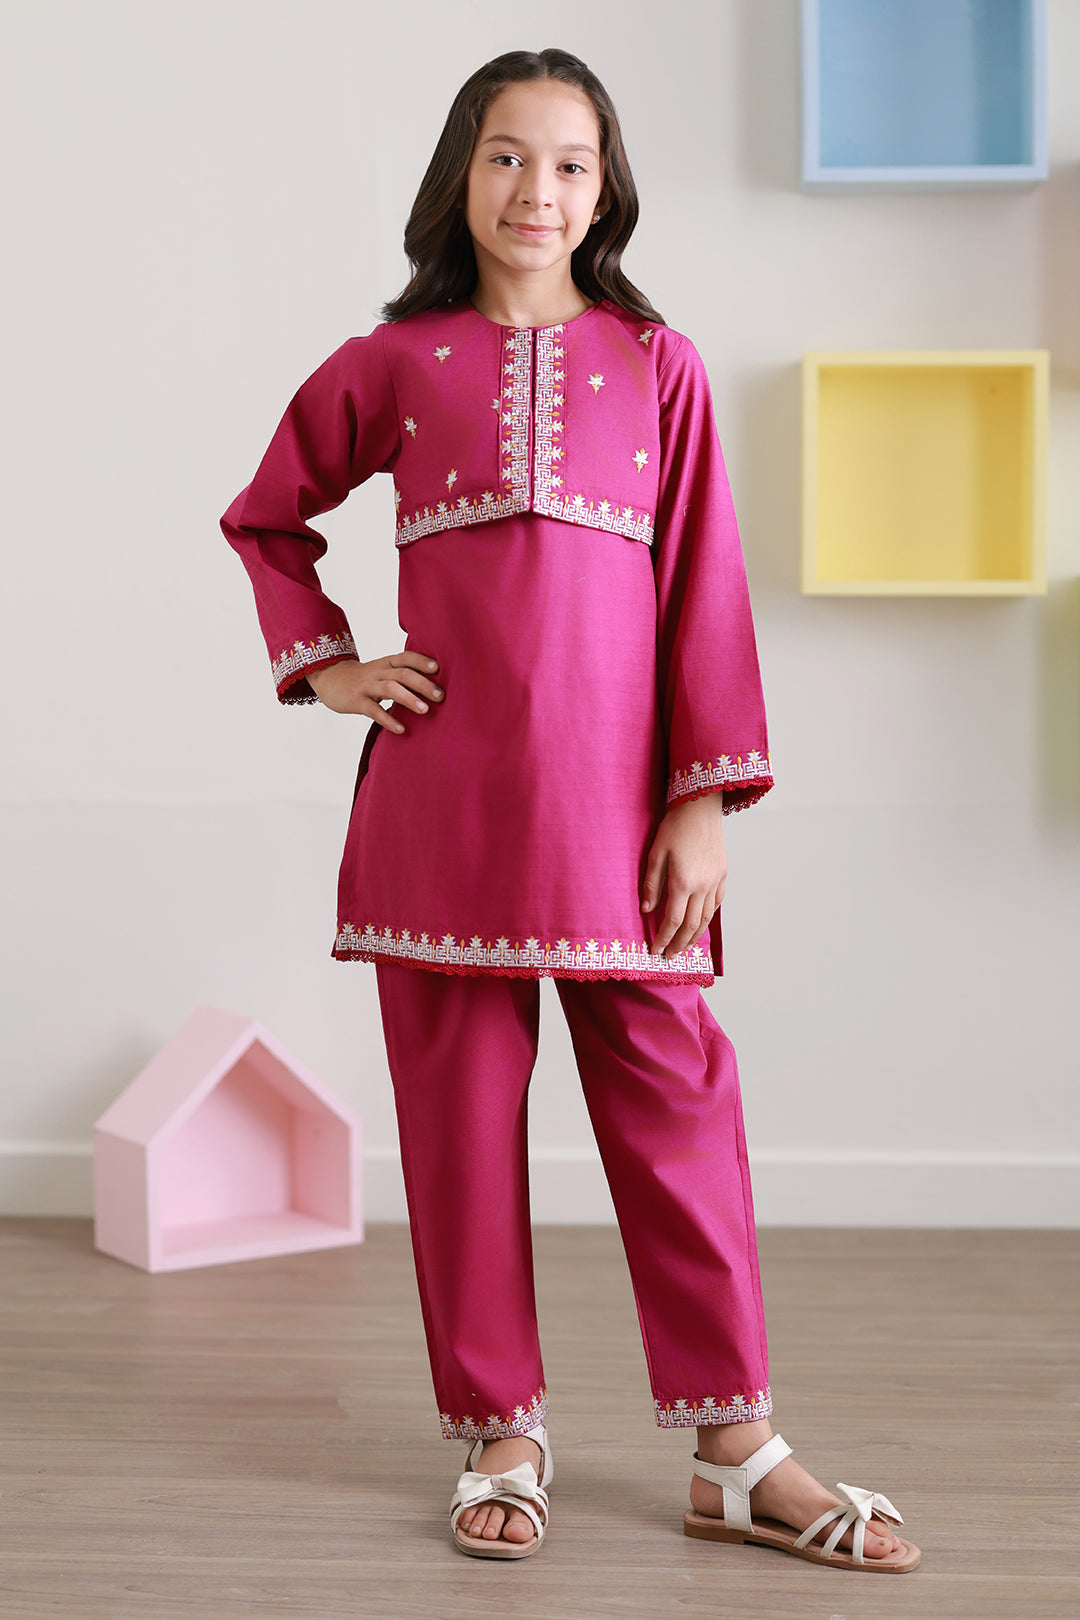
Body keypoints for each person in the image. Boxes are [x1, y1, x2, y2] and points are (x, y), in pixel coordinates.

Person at [220, 46, 920, 1573]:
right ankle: (501, 1433)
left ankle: (738, 1453)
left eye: (570, 164)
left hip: (621, 817)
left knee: (678, 1110)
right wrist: (328, 667)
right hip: (443, 813)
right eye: (507, 156)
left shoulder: (658, 365)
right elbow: (267, 519)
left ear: (606, 194)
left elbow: (704, 588)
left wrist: (704, 799)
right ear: (459, 176)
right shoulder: (390, 365)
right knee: (459, 1130)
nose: (537, 190)